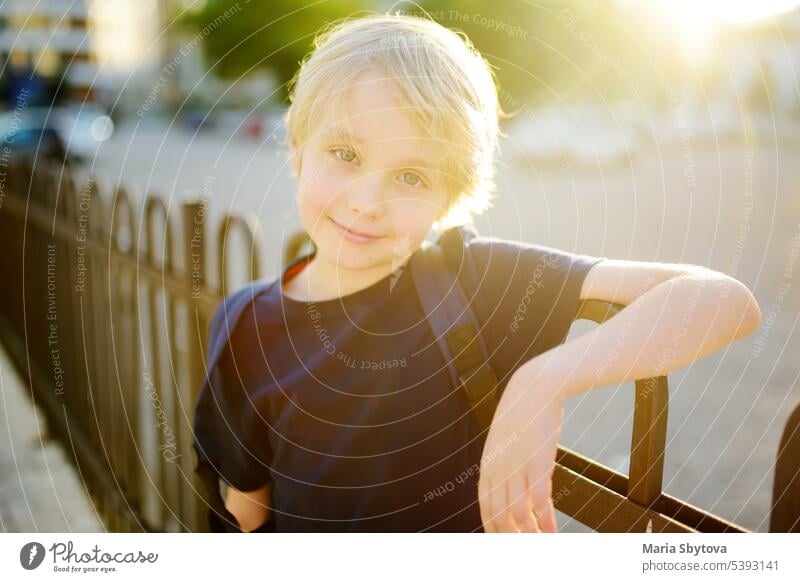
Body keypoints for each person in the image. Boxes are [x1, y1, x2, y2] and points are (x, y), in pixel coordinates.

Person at [192, 13, 762, 533]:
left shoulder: (473, 281)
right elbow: (248, 512)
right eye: (345, 153)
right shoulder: (242, 325)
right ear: (296, 145)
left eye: (412, 176)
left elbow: (725, 301)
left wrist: (545, 380)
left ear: (449, 196)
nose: (367, 201)